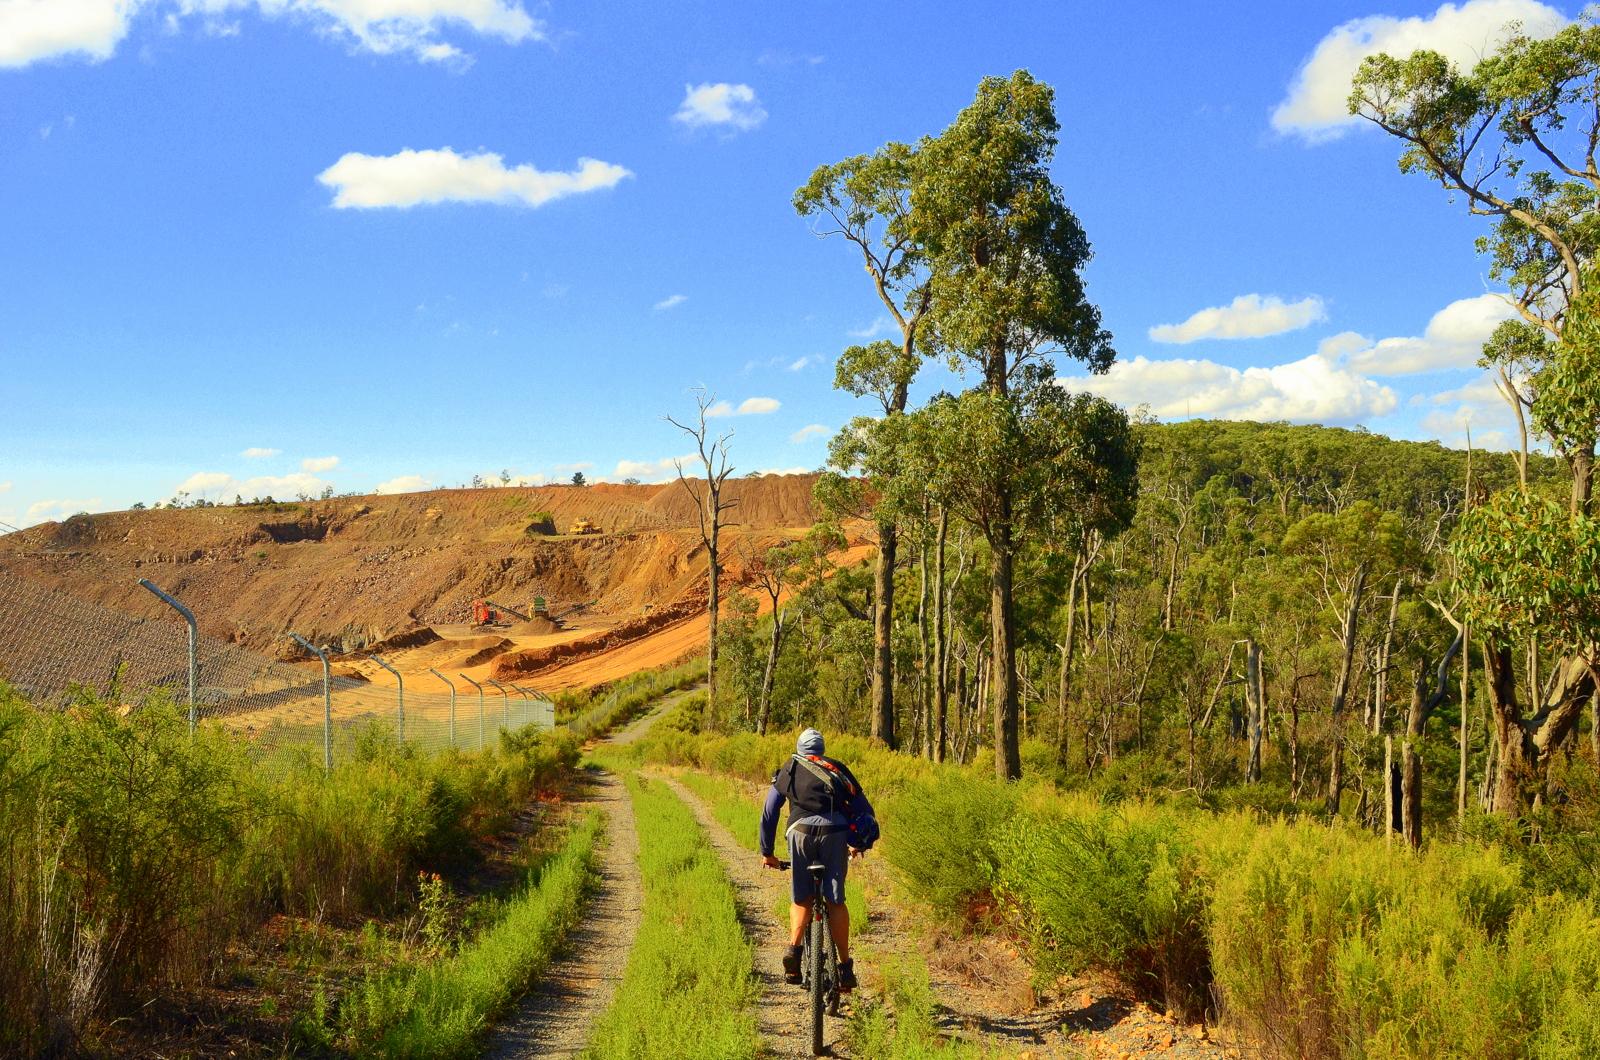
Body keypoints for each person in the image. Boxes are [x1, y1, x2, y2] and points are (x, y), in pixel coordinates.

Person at [758, 728, 872, 992]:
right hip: (835, 834)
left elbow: (769, 811)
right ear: (822, 750)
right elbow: (864, 811)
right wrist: (856, 843)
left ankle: (794, 951)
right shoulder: (838, 769)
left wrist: (767, 852)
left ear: (800, 749)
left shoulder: (790, 768)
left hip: (800, 834)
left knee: (801, 899)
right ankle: (844, 967)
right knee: (836, 902)